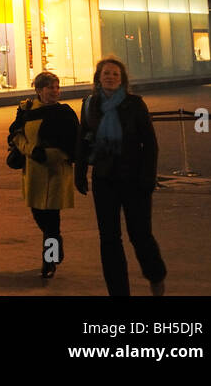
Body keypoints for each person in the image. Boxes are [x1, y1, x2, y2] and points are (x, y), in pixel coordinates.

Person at [75, 56, 167, 296]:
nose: (110, 77)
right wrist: (80, 171)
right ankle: (118, 291)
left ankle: (156, 276)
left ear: (122, 79)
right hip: (104, 180)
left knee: (140, 235)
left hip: (135, 179)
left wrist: (149, 177)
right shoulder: (89, 105)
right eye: (106, 73)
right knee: (109, 239)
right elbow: (83, 140)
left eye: (115, 74)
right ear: (98, 78)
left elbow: (150, 144)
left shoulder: (135, 104)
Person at [9, 71, 78, 279]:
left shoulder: (65, 113)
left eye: (57, 87)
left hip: (56, 173)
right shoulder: (27, 110)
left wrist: (51, 154)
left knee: (51, 221)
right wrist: (31, 150)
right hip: (34, 173)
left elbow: (75, 144)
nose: (54, 92)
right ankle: (56, 243)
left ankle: (49, 261)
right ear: (39, 90)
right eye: (50, 88)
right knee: (39, 216)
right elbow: (15, 135)